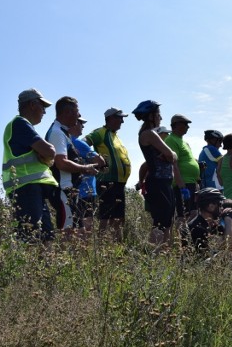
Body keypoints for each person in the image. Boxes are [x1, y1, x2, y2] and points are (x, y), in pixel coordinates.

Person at [2, 88, 58, 242]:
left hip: (30, 188)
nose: (44, 112)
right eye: (43, 107)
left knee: (46, 237)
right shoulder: (20, 124)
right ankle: (31, 266)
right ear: (33, 105)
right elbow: (50, 151)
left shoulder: (23, 126)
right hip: (25, 188)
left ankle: (46, 267)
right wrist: (46, 153)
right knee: (32, 238)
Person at [46, 96, 99, 234]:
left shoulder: (63, 132)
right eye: (77, 111)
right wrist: (85, 168)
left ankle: (77, 256)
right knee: (69, 233)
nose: (79, 115)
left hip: (71, 190)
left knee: (79, 232)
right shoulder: (57, 133)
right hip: (63, 189)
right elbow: (61, 163)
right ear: (67, 112)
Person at [133, 100, 178, 251]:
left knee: (167, 220)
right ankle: (154, 255)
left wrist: (170, 155)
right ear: (151, 116)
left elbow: (171, 156)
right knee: (160, 222)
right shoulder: (149, 134)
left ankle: (163, 253)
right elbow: (171, 155)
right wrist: (170, 155)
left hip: (163, 182)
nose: (161, 118)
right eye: (158, 115)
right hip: (157, 182)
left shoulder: (151, 134)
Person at [85, 107, 132, 241]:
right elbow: (83, 143)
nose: (122, 121)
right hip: (106, 181)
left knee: (119, 217)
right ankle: (101, 247)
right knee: (105, 217)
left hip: (119, 183)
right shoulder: (100, 132)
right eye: (120, 118)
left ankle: (117, 246)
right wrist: (95, 158)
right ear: (110, 118)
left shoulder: (115, 135)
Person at [69, 118, 104, 237]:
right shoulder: (78, 142)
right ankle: (84, 252)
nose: (83, 127)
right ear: (74, 124)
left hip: (72, 189)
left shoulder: (65, 142)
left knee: (75, 224)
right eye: (81, 124)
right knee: (87, 226)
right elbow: (100, 161)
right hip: (86, 189)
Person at [165, 114, 200, 223]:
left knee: (193, 213)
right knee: (183, 216)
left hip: (191, 183)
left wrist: (196, 181)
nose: (187, 127)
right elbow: (173, 164)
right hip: (182, 184)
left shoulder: (184, 142)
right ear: (177, 125)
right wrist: (182, 187)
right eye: (185, 124)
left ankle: (188, 238)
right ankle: (180, 238)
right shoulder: (171, 140)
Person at [182, 187, 226, 257]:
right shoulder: (195, 228)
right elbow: (203, 257)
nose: (222, 208)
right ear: (211, 206)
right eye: (220, 205)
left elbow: (229, 248)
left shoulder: (217, 227)